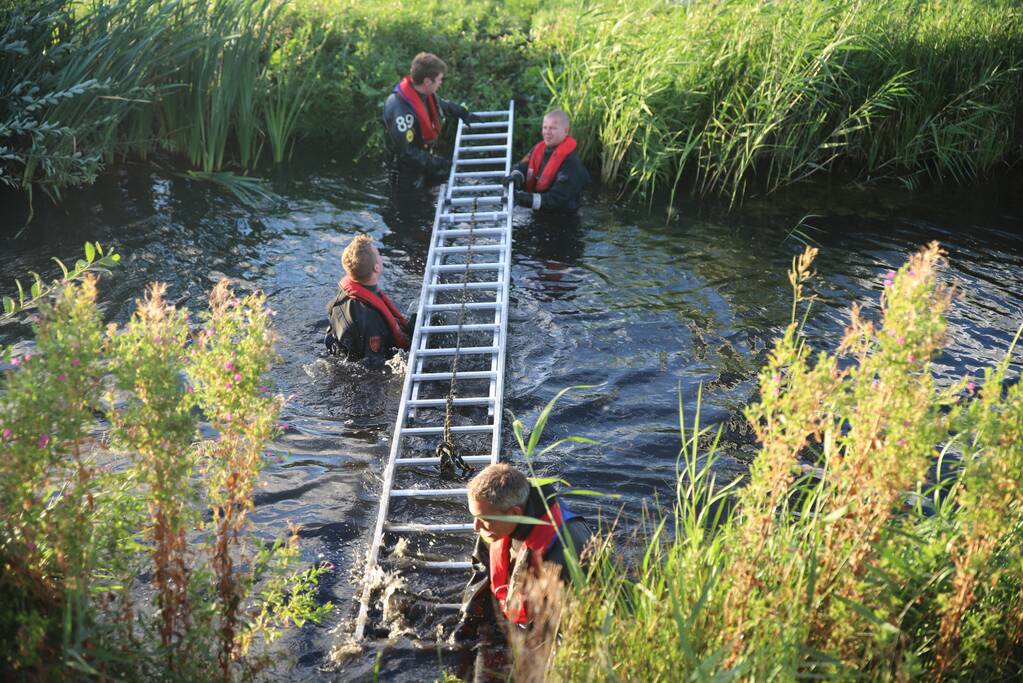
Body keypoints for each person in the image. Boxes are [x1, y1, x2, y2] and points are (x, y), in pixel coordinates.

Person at [460, 463, 592, 629]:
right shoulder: (494, 523)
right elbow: (482, 573)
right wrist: (467, 621)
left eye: (483, 519)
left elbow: (568, 626)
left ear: (514, 513)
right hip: (515, 609)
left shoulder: (564, 553)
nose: (475, 526)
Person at [383, 52, 475, 186]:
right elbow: (407, 154)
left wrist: (461, 112)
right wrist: (438, 163)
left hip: (422, 164)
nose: (441, 83)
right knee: (416, 205)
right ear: (427, 82)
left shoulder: (420, 92)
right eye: (439, 79)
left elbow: (438, 105)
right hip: (405, 177)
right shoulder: (401, 111)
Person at [324, 235, 412, 364]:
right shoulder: (372, 320)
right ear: (376, 268)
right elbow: (375, 365)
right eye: (378, 254)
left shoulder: (337, 302)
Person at [506, 110, 590, 213]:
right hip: (540, 212)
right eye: (545, 127)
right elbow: (522, 165)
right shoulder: (539, 149)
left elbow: (557, 199)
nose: (547, 132)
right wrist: (516, 177)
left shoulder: (571, 164)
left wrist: (522, 198)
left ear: (566, 131)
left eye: (553, 128)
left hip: (563, 220)